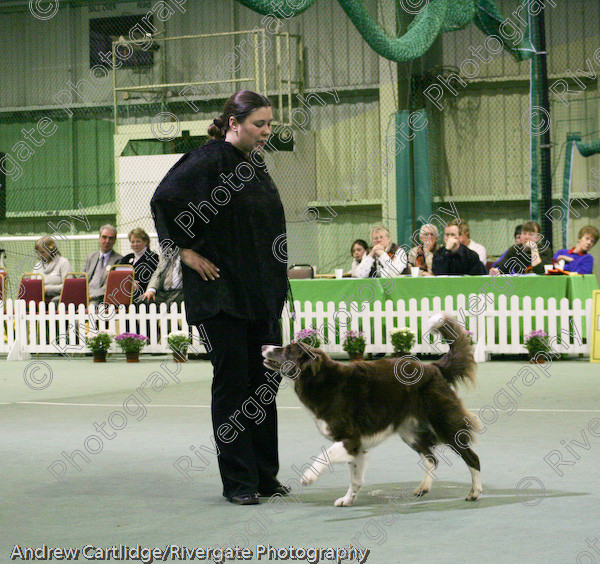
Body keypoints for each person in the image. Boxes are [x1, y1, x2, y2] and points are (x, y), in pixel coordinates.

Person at [150, 90, 289, 506]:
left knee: (264, 385)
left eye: (269, 125)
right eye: (259, 124)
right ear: (234, 123)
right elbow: (163, 200)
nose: (266, 132)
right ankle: (239, 483)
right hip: (222, 296)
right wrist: (184, 252)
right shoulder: (208, 159)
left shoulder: (256, 165)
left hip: (261, 296)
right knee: (234, 385)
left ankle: (266, 476)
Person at [84, 225, 123, 306]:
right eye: (104, 237)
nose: (107, 241)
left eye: (111, 238)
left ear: (115, 241)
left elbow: (113, 284)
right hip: (85, 293)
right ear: (99, 239)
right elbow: (82, 277)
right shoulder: (91, 257)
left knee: (91, 306)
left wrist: (92, 296)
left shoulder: (119, 260)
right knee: (59, 302)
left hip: (100, 297)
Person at [118, 228, 159, 303]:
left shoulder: (153, 257)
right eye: (133, 242)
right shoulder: (127, 258)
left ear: (145, 242)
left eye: (138, 241)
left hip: (143, 292)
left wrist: (132, 282)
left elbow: (148, 277)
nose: (135, 244)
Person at [32, 236, 72, 302]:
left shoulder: (63, 262)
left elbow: (68, 286)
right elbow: (32, 285)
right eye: (37, 252)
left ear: (51, 250)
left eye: (42, 252)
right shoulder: (38, 265)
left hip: (58, 298)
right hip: (41, 298)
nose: (39, 255)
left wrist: (47, 289)